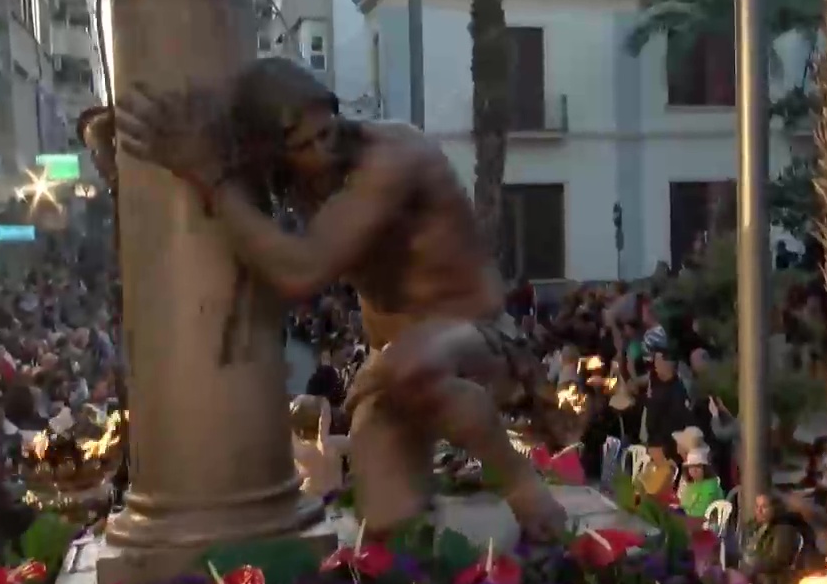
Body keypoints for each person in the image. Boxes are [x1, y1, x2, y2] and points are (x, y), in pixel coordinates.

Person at [112, 59, 566, 540]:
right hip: (395, 369)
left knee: (411, 366)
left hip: (479, 339)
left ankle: (521, 484)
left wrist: (212, 180)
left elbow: (301, 269)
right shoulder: (288, 180)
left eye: (325, 132)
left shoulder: (392, 156)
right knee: (390, 528)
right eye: (302, 146)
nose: (321, 151)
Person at [678, 448, 725, 519]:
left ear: (705, 468)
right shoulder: (689, 485)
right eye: (691, 467)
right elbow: (683, 506)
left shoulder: (711, 485)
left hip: (706, 523)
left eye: (698, 466)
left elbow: (703, 511)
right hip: (689, 521)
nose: (694, 470)